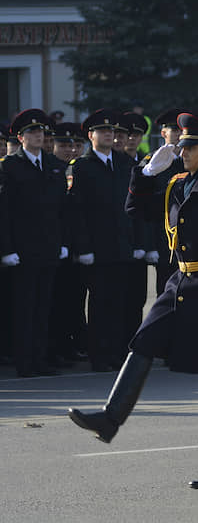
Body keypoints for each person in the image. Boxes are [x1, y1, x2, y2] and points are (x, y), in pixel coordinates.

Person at [68, 113, 198, 489]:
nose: (182, 152)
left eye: (191, 147)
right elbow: (136, 210)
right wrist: (144, 173)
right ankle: (110, 418)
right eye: (181, 146)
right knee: (144, 340)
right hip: (181, 282)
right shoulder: (178, 184)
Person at [0, 109, 69, 377]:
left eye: (41, 132)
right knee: (24, 309)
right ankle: (24, 363)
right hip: (22, 250)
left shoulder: (53, 165)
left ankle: (39, 360)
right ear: (21, 137)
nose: (39, 136)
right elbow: (4, 212)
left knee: (43, 307)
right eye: (32, 132)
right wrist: (7, 250)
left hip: (49, 246)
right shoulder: (10, 166)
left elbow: (61, 210)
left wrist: (63, 242)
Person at [66, 109, 136, 371]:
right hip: (96, 247)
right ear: (90, 135)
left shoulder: (124, 163)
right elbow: (78, 211)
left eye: (112, 131)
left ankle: (116, 353)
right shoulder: (81, 167)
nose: (109, 135)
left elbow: (133, 206)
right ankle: (99, 355)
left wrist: (136, 243)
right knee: (99, 304)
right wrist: (83, 248)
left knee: (119, 303)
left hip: (121, 244)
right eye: (103, 131)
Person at [49, 122, 88, 365]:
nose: (70, 149)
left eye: (75, 145)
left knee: (75, 299)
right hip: (56, 245)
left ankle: (74, 344)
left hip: (79, 245)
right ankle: (58, 347)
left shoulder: (80, 169)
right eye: (64, 145)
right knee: (57, 301)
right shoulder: (50, 169)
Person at [119, 112, 153, 347]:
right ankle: (117, 343)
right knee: (117, 299)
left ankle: (134, 341)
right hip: (119, 242)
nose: (132, 139)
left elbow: (149, 209)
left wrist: (147, 245)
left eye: (137, 134)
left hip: (140, 241)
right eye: (128, 134)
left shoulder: (147, 163)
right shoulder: (115, 163)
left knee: (138, 297)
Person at [144, 108, 185, 296]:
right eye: (174, 131)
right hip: (163, 237)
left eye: (181, 131)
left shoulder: (191, 160)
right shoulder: (153, 162)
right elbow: (145, 204)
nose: (178, 135)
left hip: (188, 237)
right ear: (163, 133)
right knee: (166, 291)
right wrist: (150, 244)